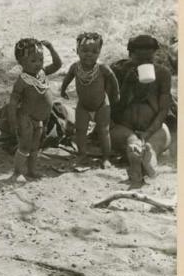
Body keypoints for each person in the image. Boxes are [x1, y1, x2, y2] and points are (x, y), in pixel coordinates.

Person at [110, 35, 172, 189]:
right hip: (124, 126)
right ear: (130, 55)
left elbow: (164, 109)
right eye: (140, 59)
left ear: (155, 55)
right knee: (130, 140)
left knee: (153, 145)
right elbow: (114, 112)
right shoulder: (118, 71)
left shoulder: (163, 73)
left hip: (154, 127)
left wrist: (149, 131)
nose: (145, 63)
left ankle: (144, 160)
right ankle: (137, 155)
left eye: (149, 59)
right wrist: (126, 85)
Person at [60, 32, 120, 169]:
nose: (89, 54)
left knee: (104, 131)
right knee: (80, 131)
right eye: (84, 50)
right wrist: (63, 89)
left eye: (94, 51)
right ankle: (82, 154)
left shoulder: (102, 68)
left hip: (101, 106)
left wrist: (116, 93)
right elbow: (68, 78)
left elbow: (113, 78)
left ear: (99, 52)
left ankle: (106, 158)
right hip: (83, 106)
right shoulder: (75, 67)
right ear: (77, 51)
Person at [5, 39, 62, 181]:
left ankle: (31, 170)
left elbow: (57, 65)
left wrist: (51, 48)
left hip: (40, 119)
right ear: (21, 63)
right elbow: (13, 102)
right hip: (26, 118)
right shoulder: (23, 81)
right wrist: (13, 121)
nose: (38, 63)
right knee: (25, 146)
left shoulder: (42, 73)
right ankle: (17, 173)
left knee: (36, 146)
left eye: (41, 59)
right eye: (33, 61)